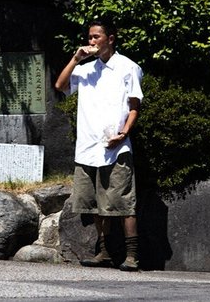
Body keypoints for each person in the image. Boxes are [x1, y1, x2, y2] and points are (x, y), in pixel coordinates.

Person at [54, 20, 143, 272]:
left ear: (110, 39)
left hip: (116, 146)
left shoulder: (128, 67)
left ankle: (132, 255)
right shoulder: (85, 69)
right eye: (89, 37)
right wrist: (75, 58)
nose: (91, 41)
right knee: (94, 203)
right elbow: (60, 86)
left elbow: (135, 107)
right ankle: (104, 252)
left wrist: (123, 133)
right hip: (87, 146)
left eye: (96, 37)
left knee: (124, 202)